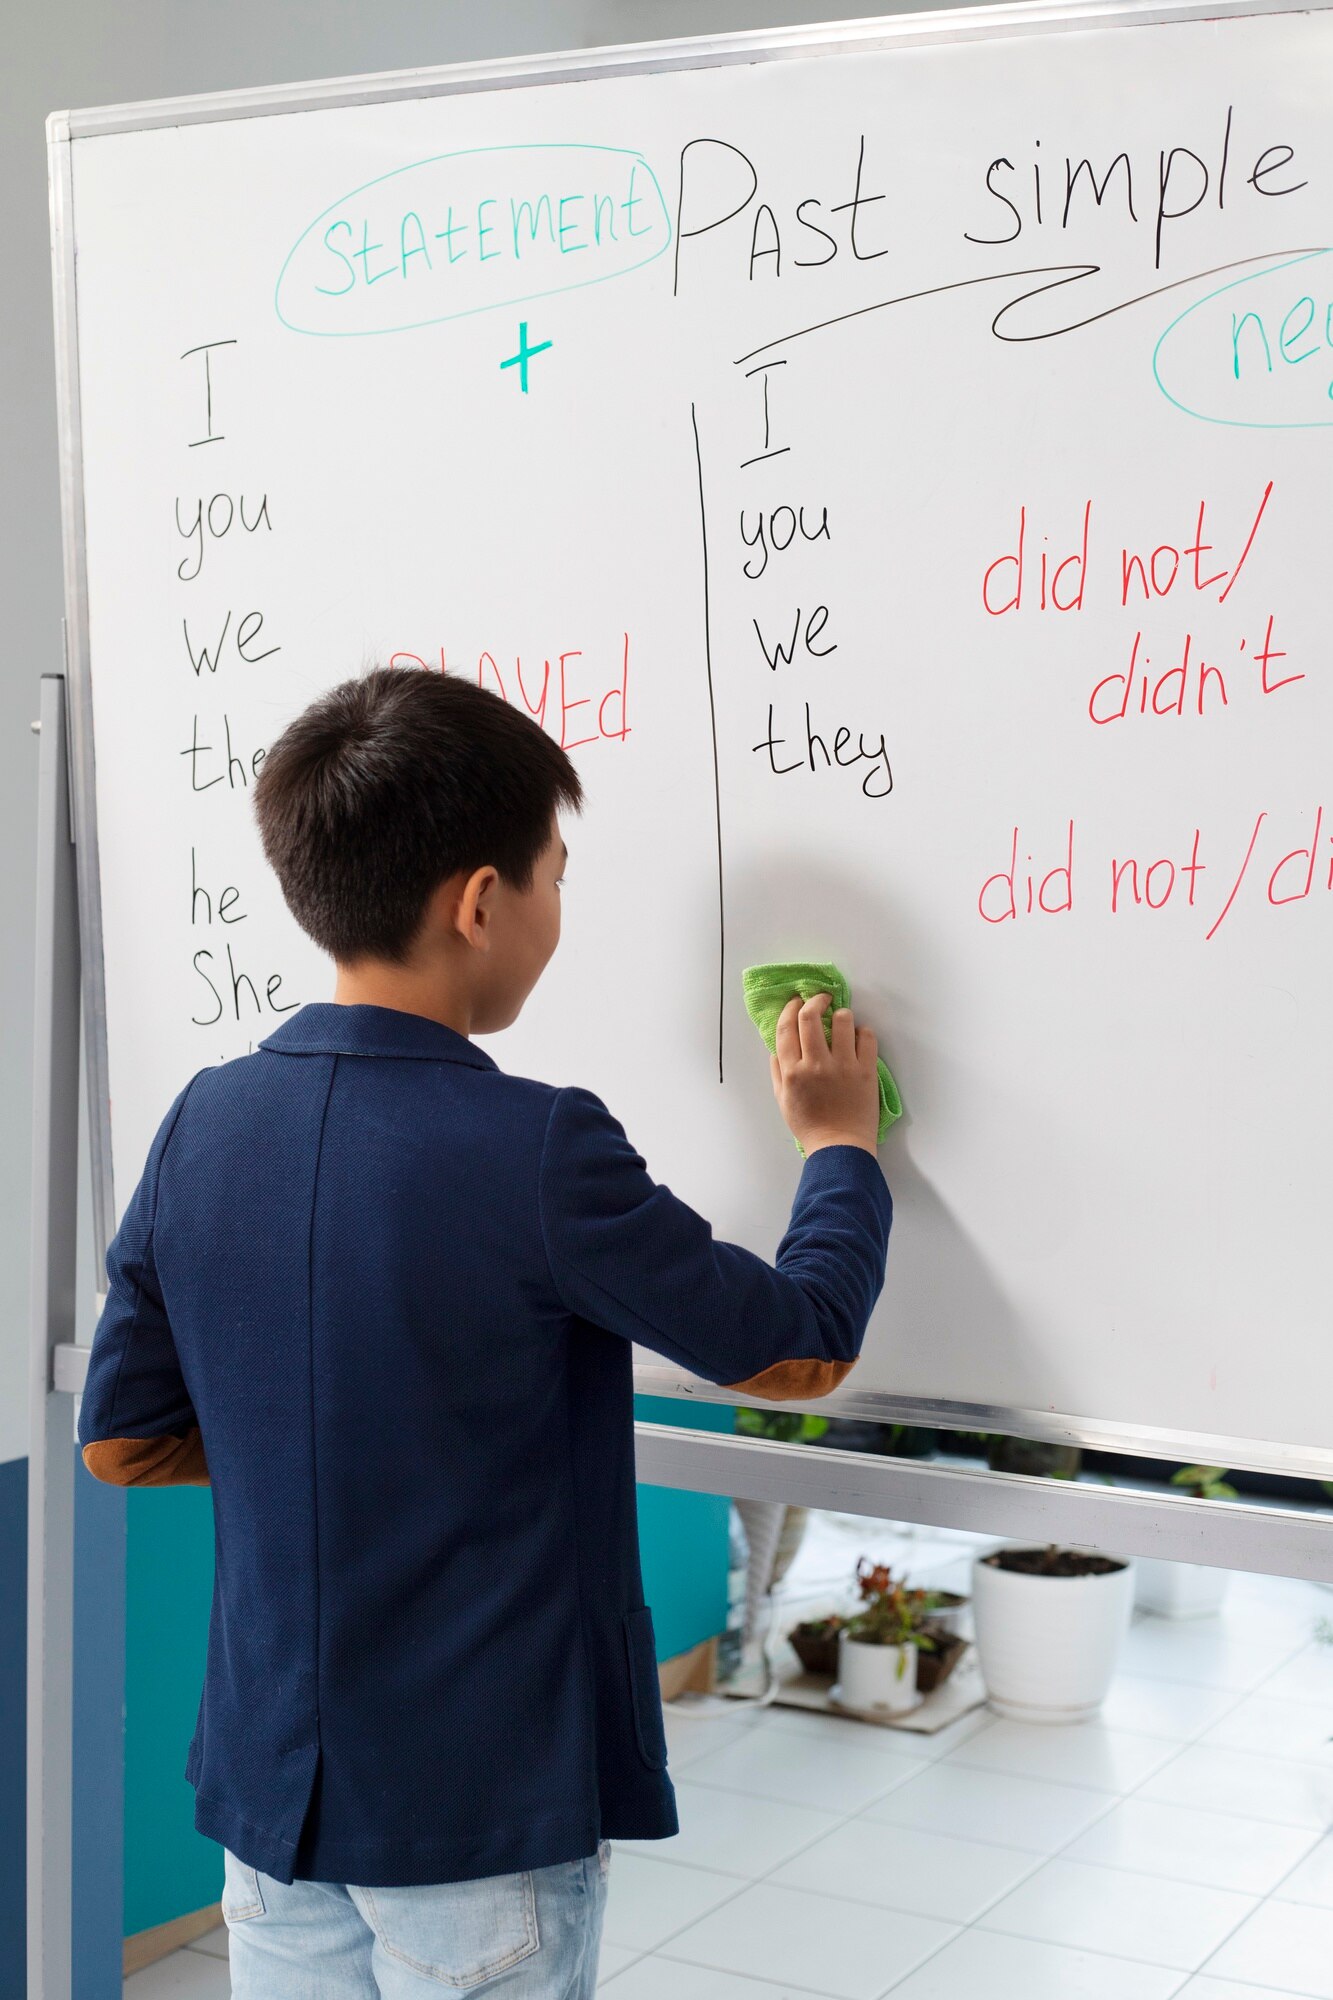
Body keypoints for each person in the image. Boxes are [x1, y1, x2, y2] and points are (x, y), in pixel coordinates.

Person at [77, 665, 893, 1997]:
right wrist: (836, 1147)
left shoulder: (201, 1122)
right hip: (475, 1804)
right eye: (553, 877)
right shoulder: (536, 1146)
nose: (556, 911)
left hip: (272, 1795)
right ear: (477, 901)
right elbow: (795, 1349)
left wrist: (335, 1450)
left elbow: (122, 1443)